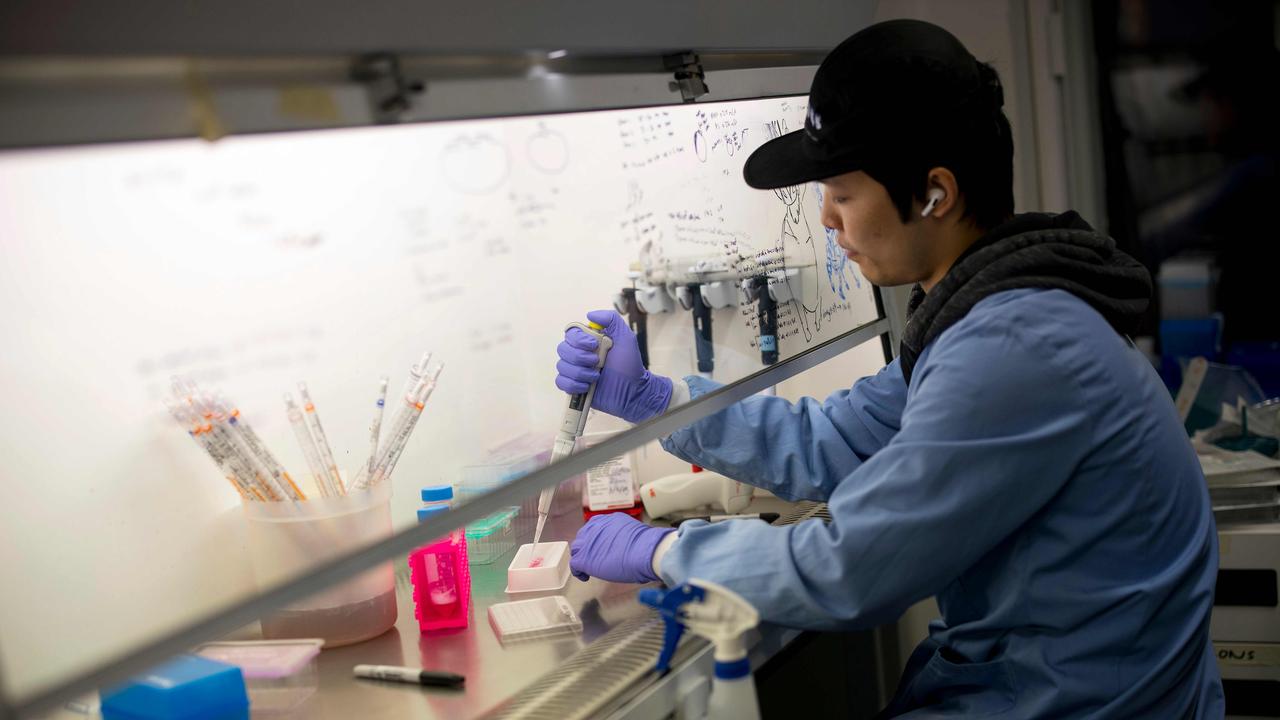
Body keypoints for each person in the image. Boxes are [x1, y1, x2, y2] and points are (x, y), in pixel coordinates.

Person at [555, 19, 1224, 719]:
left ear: (935, 193)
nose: (827, 221)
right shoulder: (987, 316)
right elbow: (841, 438)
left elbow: (848, 568)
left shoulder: (1016, 346)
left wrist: (666, 552)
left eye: (843, 195)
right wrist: (657, 399)